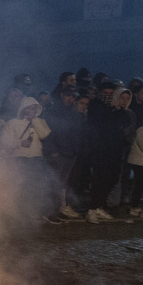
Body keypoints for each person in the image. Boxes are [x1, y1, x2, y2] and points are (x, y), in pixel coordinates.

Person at [84, 82, 130, 223]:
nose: (109, 96)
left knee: (113, 177)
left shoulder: (114, 109)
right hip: (100, 149)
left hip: (114, 150)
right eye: (107, 93)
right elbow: (102, 122)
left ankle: (99, 205)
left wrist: (118, 109)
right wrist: (113, 110)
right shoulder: (96, 105)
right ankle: (91, 209)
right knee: (100, 178)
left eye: (112, 94)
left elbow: (125, 121)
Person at [44, 85, 84, 218]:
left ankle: (59, 208)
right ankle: (50, 211)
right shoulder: (53, 111)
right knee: (54, 181)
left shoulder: (74, 112)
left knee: (63, 183)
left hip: (70, 153)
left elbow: (77, 133)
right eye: (68, 95)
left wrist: (76, 149)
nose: (70, 98)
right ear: (61, 95)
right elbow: (48, 132)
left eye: (73, 96)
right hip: (59, 153)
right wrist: (53, 150)